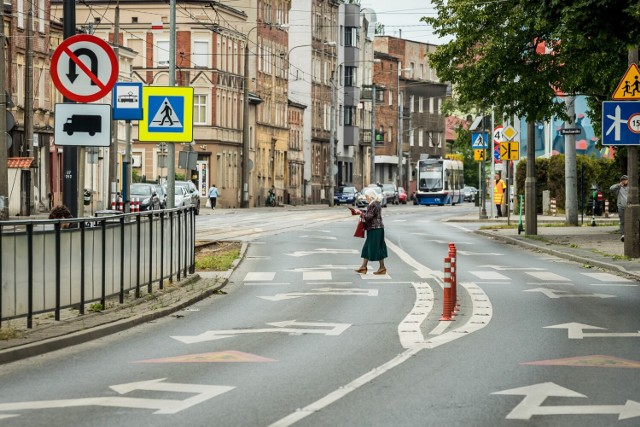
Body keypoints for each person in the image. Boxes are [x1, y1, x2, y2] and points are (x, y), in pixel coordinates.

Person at [354, 188, 388, 275]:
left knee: (377, 247)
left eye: (367, 196)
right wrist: (362, 212)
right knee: (367, 247)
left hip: (375, 229)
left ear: (370, 196)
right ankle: (364, 267)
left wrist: (360, 213)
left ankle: (382, 267)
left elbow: (368, 217)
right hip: (377, 228)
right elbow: (370, 213)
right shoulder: (375, 204)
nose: (366, 198)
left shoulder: (373, 204)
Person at [610, 174, 628, 241]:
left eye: (625, 180)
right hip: (621, 206)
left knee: (630, 221)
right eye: (623, 180)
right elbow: (611, 188)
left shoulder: (630, 187)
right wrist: (619, 185)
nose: (624, 181)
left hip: (629, 207)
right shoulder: (618, 188)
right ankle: (623, 235)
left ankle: (629, 234)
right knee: (622, 221)